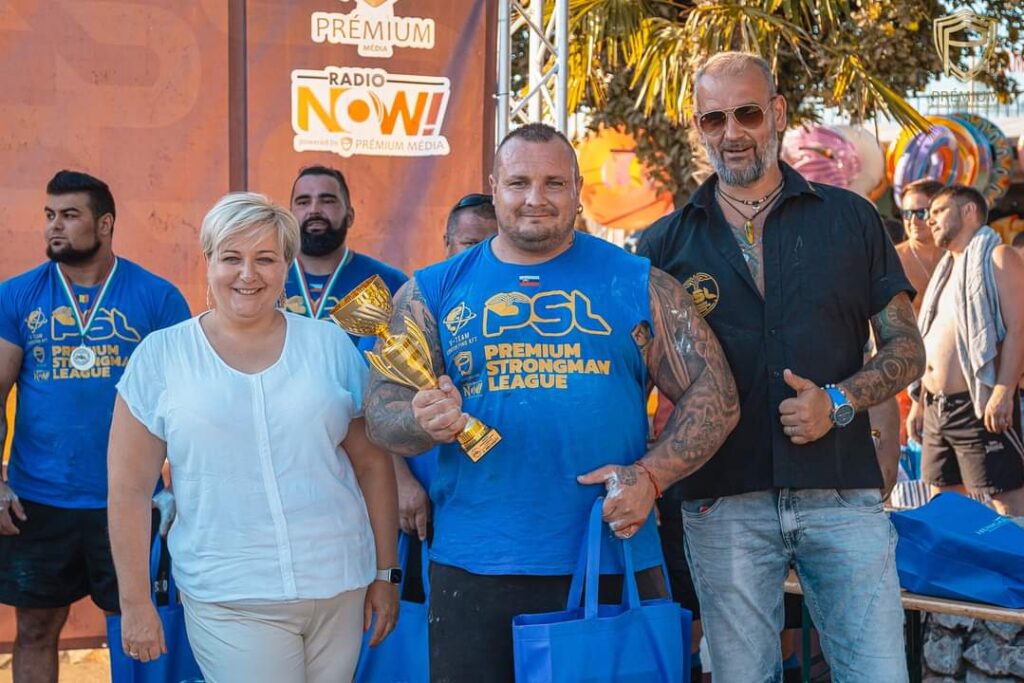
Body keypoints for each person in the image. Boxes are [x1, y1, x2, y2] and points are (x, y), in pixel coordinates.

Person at [363, 123, 740, 682]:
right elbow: (380, 411)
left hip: (609, 550)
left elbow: (717, 396)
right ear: (494, 187)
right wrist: (419, 421)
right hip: (475, 561)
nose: (535, 198)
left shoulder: (638, 282)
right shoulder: (432, 291)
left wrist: (651, 477)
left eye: (554, 183)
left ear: (578, 190)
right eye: (519, 183)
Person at [637, 52, 925, 681]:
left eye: (746, 113)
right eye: (714, 119)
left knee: (878, 673)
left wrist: (839, 401)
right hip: (721, 501)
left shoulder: (850, 218)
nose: (731, 133)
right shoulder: (663, 244)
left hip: (840, 492)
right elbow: (638, 377)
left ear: (778, 113)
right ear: (698, 126)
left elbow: (907, 349)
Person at [107, 192, 399, 682]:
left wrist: (386, 573)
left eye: (265, 258)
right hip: (230, 595)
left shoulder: (328, 345)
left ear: (286, 266)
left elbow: (372, 464)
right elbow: (129, 489)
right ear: (208, 262)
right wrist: (135, 602)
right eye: (231, 258)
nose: (248, 274)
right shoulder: (161, 357)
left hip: (339, 584)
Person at [0, 170, 190, 682]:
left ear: (105, 224)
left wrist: (179, 487)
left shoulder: (157, 297)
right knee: (35, 630)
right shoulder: (17, 296)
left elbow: (185, 403)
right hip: (38, 500)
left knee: (138, 629)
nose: (54, 226)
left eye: (69, 215)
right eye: (49, 215)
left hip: (131, 500)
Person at [907, 185, 1024, 516]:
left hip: (978, 403)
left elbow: (1019, 328)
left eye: (938, 211)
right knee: (944, 508)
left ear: (969, 211)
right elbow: (932, 336)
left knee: (1009, 506)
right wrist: (919, 403)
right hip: (936, 406)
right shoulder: (947, 268)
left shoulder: (998, 256)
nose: (929, 220)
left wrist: (1002, 390)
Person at [284, 165, 407, 351]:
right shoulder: (266, 281)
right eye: (303, 202)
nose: (314, 210)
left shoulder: (390, 283)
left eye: (327, 201)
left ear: (350, 216)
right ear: (289, 216)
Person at [896, 178, 945, 316]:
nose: (913, 221)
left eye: (921, 213)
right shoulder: (892, 260)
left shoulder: (958, 255)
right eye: (907, 214)